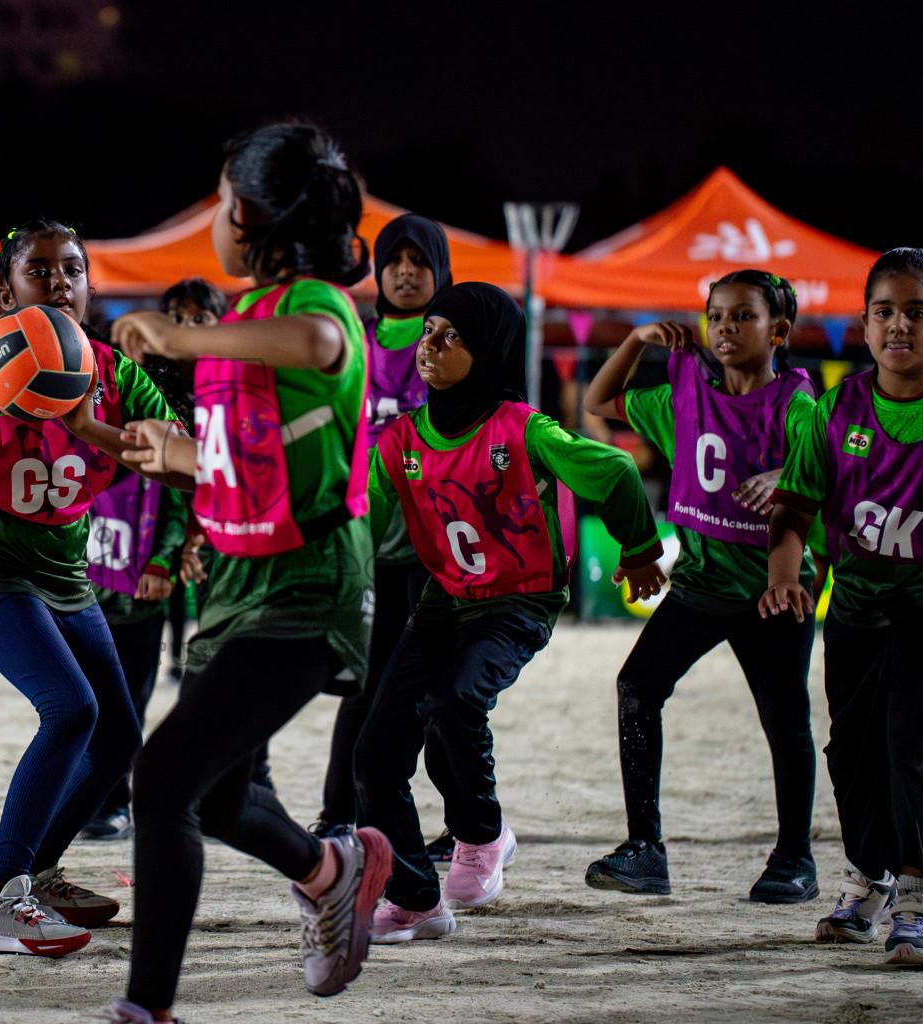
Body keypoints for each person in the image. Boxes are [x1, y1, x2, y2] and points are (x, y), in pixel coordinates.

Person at [102, 122, 389, 1023]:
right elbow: (247, 458)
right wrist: (177, 452)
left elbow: (320, 347)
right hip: (233, 589)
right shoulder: (249, 321)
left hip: (306, 592)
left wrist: (178, 340)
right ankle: (332, 870)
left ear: (251, 213)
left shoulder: (314, 307)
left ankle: (146, 1008)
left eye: (221, 199)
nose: (215, 218)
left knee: (163, 778)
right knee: (220, 795)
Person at [351, 282, 665, 945]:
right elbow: (359, 519)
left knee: (454, 702)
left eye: (450, 336)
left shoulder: (524, 429)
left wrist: (640, 551)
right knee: (375, 753)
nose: (429, 344)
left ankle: (484, 836)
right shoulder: (399, 440)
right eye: (429, 330)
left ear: (488, 349)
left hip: (519, 600)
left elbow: (614, 472)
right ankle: (414, 898)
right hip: (446, 600)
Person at [0, 219, 177, 958]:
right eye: (40, 270)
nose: (60, 283)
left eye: (74, 269)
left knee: (118, 733)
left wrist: (93, 429)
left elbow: (182, 465)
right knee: (71, 709)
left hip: (64, 576)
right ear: (5, 294)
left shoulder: (116, 375)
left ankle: (40, 874)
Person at [762, 248, 923, 967]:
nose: (898, 324)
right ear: (864, 327)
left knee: (918, 723)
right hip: (861, 602)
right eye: (884, 311)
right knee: (853, 747)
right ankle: (869, 882)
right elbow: (796, 502)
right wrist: (785, 569)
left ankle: (917, 895)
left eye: (916, 311)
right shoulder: (838, 408)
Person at [580, 270, 820, 903]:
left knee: (786, 720)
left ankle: (795, 858)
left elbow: (821, 470)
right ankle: (644, 850)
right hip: (700, 583)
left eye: (742, 316)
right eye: (716, 315)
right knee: (637, 685)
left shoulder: (797, 403)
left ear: (779, 332)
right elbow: (598, 403)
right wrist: (635, 341)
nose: (724, 327)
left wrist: (785, 476)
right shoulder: (684, 390)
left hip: (773, 590)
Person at [312, 213, 450, 843]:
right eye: (394, 259)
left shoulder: (453, 341)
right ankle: (340, 813)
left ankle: (470, 827)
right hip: (363, 543)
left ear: (440, 269)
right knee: (363, 684)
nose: (404, 271)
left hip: (438, 550)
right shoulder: (353, 339)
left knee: (444, 694)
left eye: (418, 261)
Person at [77, 462, 189, 841]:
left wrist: (162, 560)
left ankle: (114, 804)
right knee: (83, 707)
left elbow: (176, 518)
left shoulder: (154, 458)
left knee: (128, 710)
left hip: (139, 609)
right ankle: (88, 800)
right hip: (82, 604)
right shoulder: (76, 454)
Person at [153, 279, 225, 686]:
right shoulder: (150, 382)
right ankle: (176, 655)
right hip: (168, 510)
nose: (186, 326)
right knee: (175, 588)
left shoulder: (232, 381)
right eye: (177, 318)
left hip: (220, 517)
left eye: (200, 318)